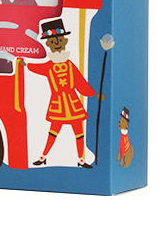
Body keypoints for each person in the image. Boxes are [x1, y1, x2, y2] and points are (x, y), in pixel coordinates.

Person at [26, 18, 103, 168]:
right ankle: (43, 156)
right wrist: (25, 64)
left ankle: (81, 160)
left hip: (73, 104)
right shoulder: (49, 66)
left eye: (59, 40)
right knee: (53, 131)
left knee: (79, 132)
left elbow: (80, 83)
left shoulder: (70, 66)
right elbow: (36, 68)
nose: (57, 43)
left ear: (65, 41)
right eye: (53, 41)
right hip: (58, 105)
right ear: (48, 44)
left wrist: (94, 94)